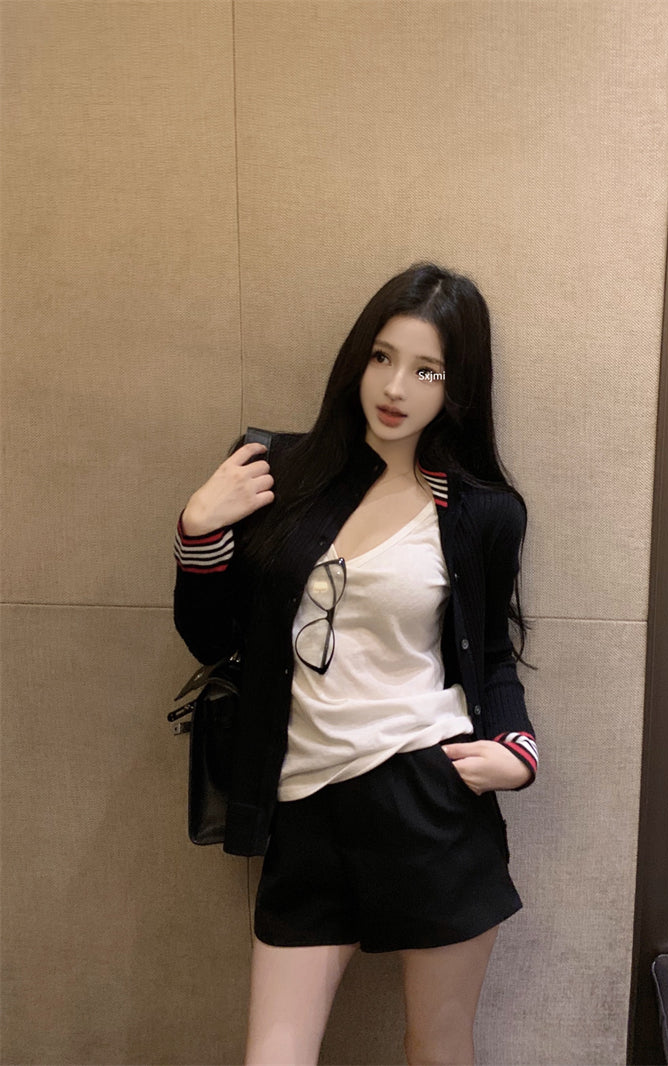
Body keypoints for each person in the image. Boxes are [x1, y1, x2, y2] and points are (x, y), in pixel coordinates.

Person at [172, 263, 539, 1066]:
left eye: (427, 370)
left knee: (438, 1047)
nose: (396, 387)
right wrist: (199, 533)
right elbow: (211, 638)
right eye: (382, 356)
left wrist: (518, 751)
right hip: (305, 806)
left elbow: (492, 657)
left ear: (458, 386)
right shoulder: (279, 472)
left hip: (429, 798)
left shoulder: (482, 512)